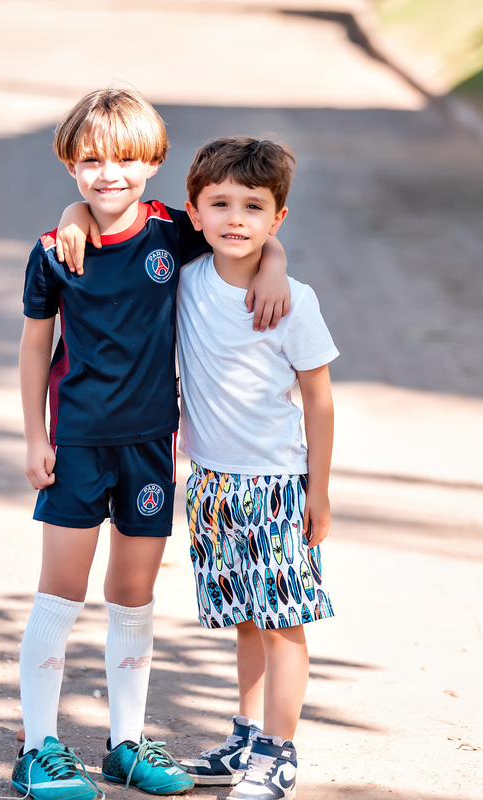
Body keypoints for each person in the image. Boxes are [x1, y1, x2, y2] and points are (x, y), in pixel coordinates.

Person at [14, 88, 290, 800]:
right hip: (76, 444)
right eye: (91, 161)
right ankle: (37, 748)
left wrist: (276, 262)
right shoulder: (52, 252)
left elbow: (243, 232)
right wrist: (35, 436)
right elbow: (35, 348)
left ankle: (126, 745)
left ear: (154, 163)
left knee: (134, 594)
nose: (109, 174)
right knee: (61, 592)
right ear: (70, 165)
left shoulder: (172, 231)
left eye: (125, 160)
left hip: (149, 446)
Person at [174, 137, 337, 800]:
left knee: (282, 622)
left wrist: (318, 491)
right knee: (244, 616)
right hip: (210, 482)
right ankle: (246, 735)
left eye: (253, 206)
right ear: (194, 212)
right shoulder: (184, 280)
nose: (235, 218)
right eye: (220, 203)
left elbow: (319, 400)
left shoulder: (294, 300)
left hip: (275, 485)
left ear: (278, 218)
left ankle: (279, 752)